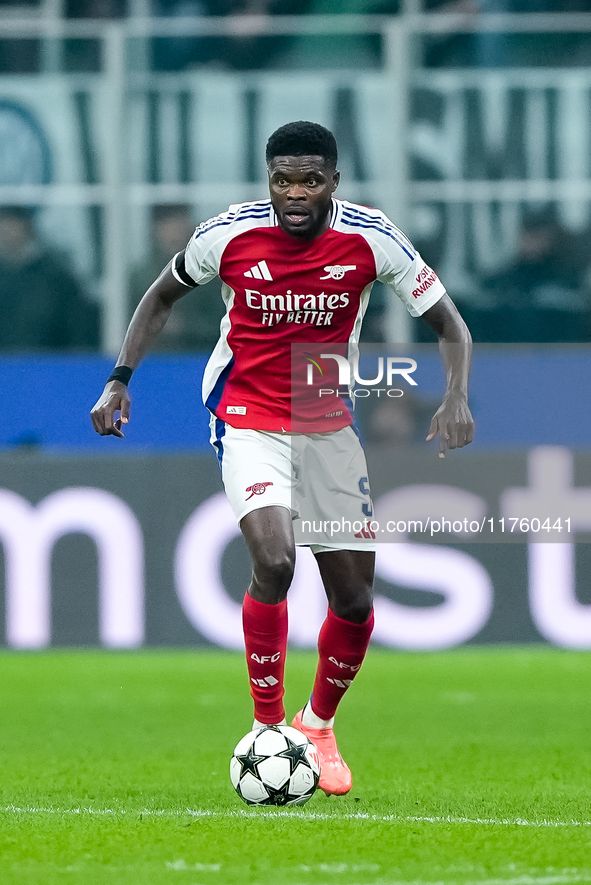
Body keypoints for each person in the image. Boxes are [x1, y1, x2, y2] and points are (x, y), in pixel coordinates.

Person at [91, 121, 474, 797]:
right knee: (275, 558)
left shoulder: (371, 237)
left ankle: (318, 723)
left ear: (333, 181)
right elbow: (160, 295)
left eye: (309, 179)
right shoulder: (228, 235)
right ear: (267, 178)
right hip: (246, 415)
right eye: (282, 179)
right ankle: (268, 726)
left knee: (353, 600)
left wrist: (454, 396)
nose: (294, 193)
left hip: (326, 421)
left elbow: (448, 323)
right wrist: (120, 377)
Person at [0, 206, 100, 351]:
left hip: (50, 365)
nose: (6, 228)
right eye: (2, 220)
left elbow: (77, 330)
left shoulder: (57, 277)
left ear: (27, 224)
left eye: (13, 220)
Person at [129, 204, 225, 352]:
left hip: (203, 350)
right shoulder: (142, 276)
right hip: (155, 355)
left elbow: (219, 315)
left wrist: (187, 323)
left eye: (181, 223)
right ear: (156, 229)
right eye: (170, 224)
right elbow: (130, 320)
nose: (177, 230)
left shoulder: (208, 269)